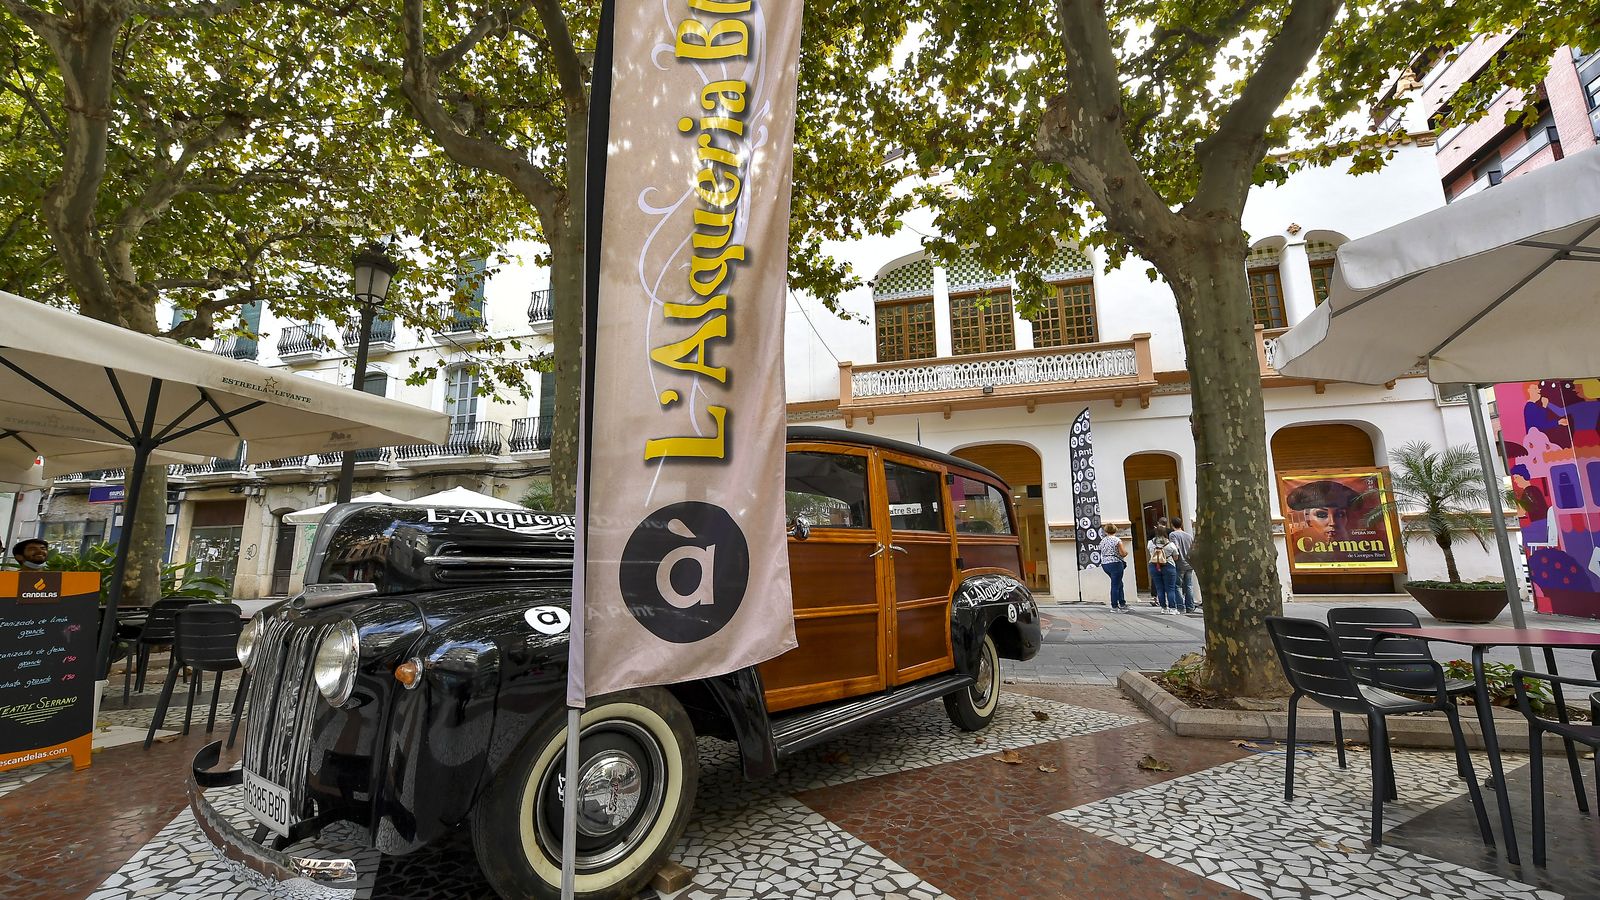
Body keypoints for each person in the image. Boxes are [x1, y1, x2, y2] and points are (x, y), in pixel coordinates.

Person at [1147, 525, 1179, 614]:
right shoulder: (1170, 544)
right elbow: (1176, 557)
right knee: (1170, 588)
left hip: (1154, 565)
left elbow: (1150, 552)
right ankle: (1172, 608)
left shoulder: (1150, 543)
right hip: (1168, 565)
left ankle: (1163, 608)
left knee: (1159, 588)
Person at [1167, 519, 1198, 613]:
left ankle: (1180, 607)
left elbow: (1175, 547)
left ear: (1172, 524)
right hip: (1189, 563)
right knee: (1189, 585)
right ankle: (1190, 606)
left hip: (1179, 563)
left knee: (1178, 586)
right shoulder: (1188, 536)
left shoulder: (1173, 535)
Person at [1098, 524, 1129, 611]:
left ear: (1106, 531)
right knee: (1115, 585)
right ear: (1115, 530)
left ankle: (1122, 602)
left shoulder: (1103, 541)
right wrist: (1126, 553)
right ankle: (1114, 605)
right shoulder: (1117, 540)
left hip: (1105, 564)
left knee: (1119, 583)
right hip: (1115, 563)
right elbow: (1122, 553)